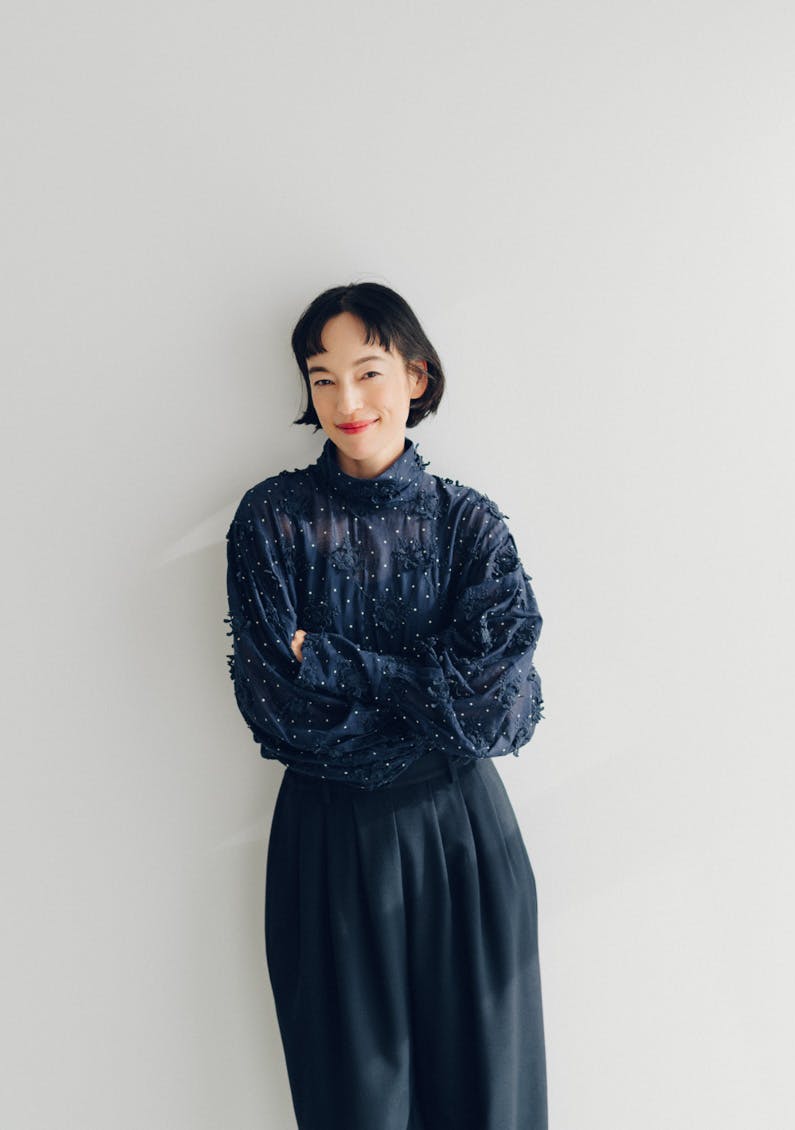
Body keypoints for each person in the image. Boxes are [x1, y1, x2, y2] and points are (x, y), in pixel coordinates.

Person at [224, 281, 547, 1130]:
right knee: (354, 1107)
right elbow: (280, 710)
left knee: (488, 1105)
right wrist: (437, 699)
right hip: (329, 844)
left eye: (368, 371)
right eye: (322, 378)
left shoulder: (469, 526)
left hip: (465, 840)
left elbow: (501, 714)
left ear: (416, 376)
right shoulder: (271, 523)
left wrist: (337, 662)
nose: (347, 400)